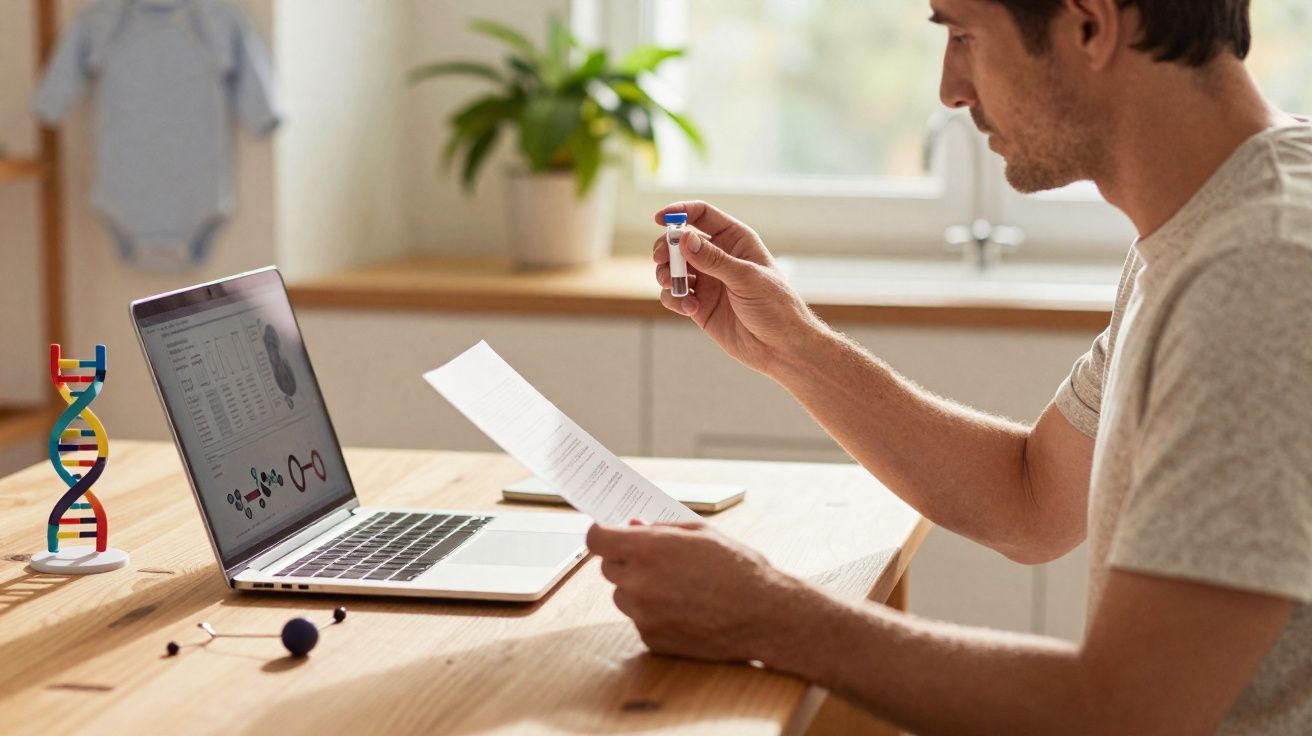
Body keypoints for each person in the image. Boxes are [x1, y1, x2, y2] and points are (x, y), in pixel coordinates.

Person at [586, 0, 1312, 732]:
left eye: (963, 36)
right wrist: (791, 345)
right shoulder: (1204, 228)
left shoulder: (1260, 272)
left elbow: (1123, 713)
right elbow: (1029, 500)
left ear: (1089, 26)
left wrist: (767, 616)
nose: (950, 89)